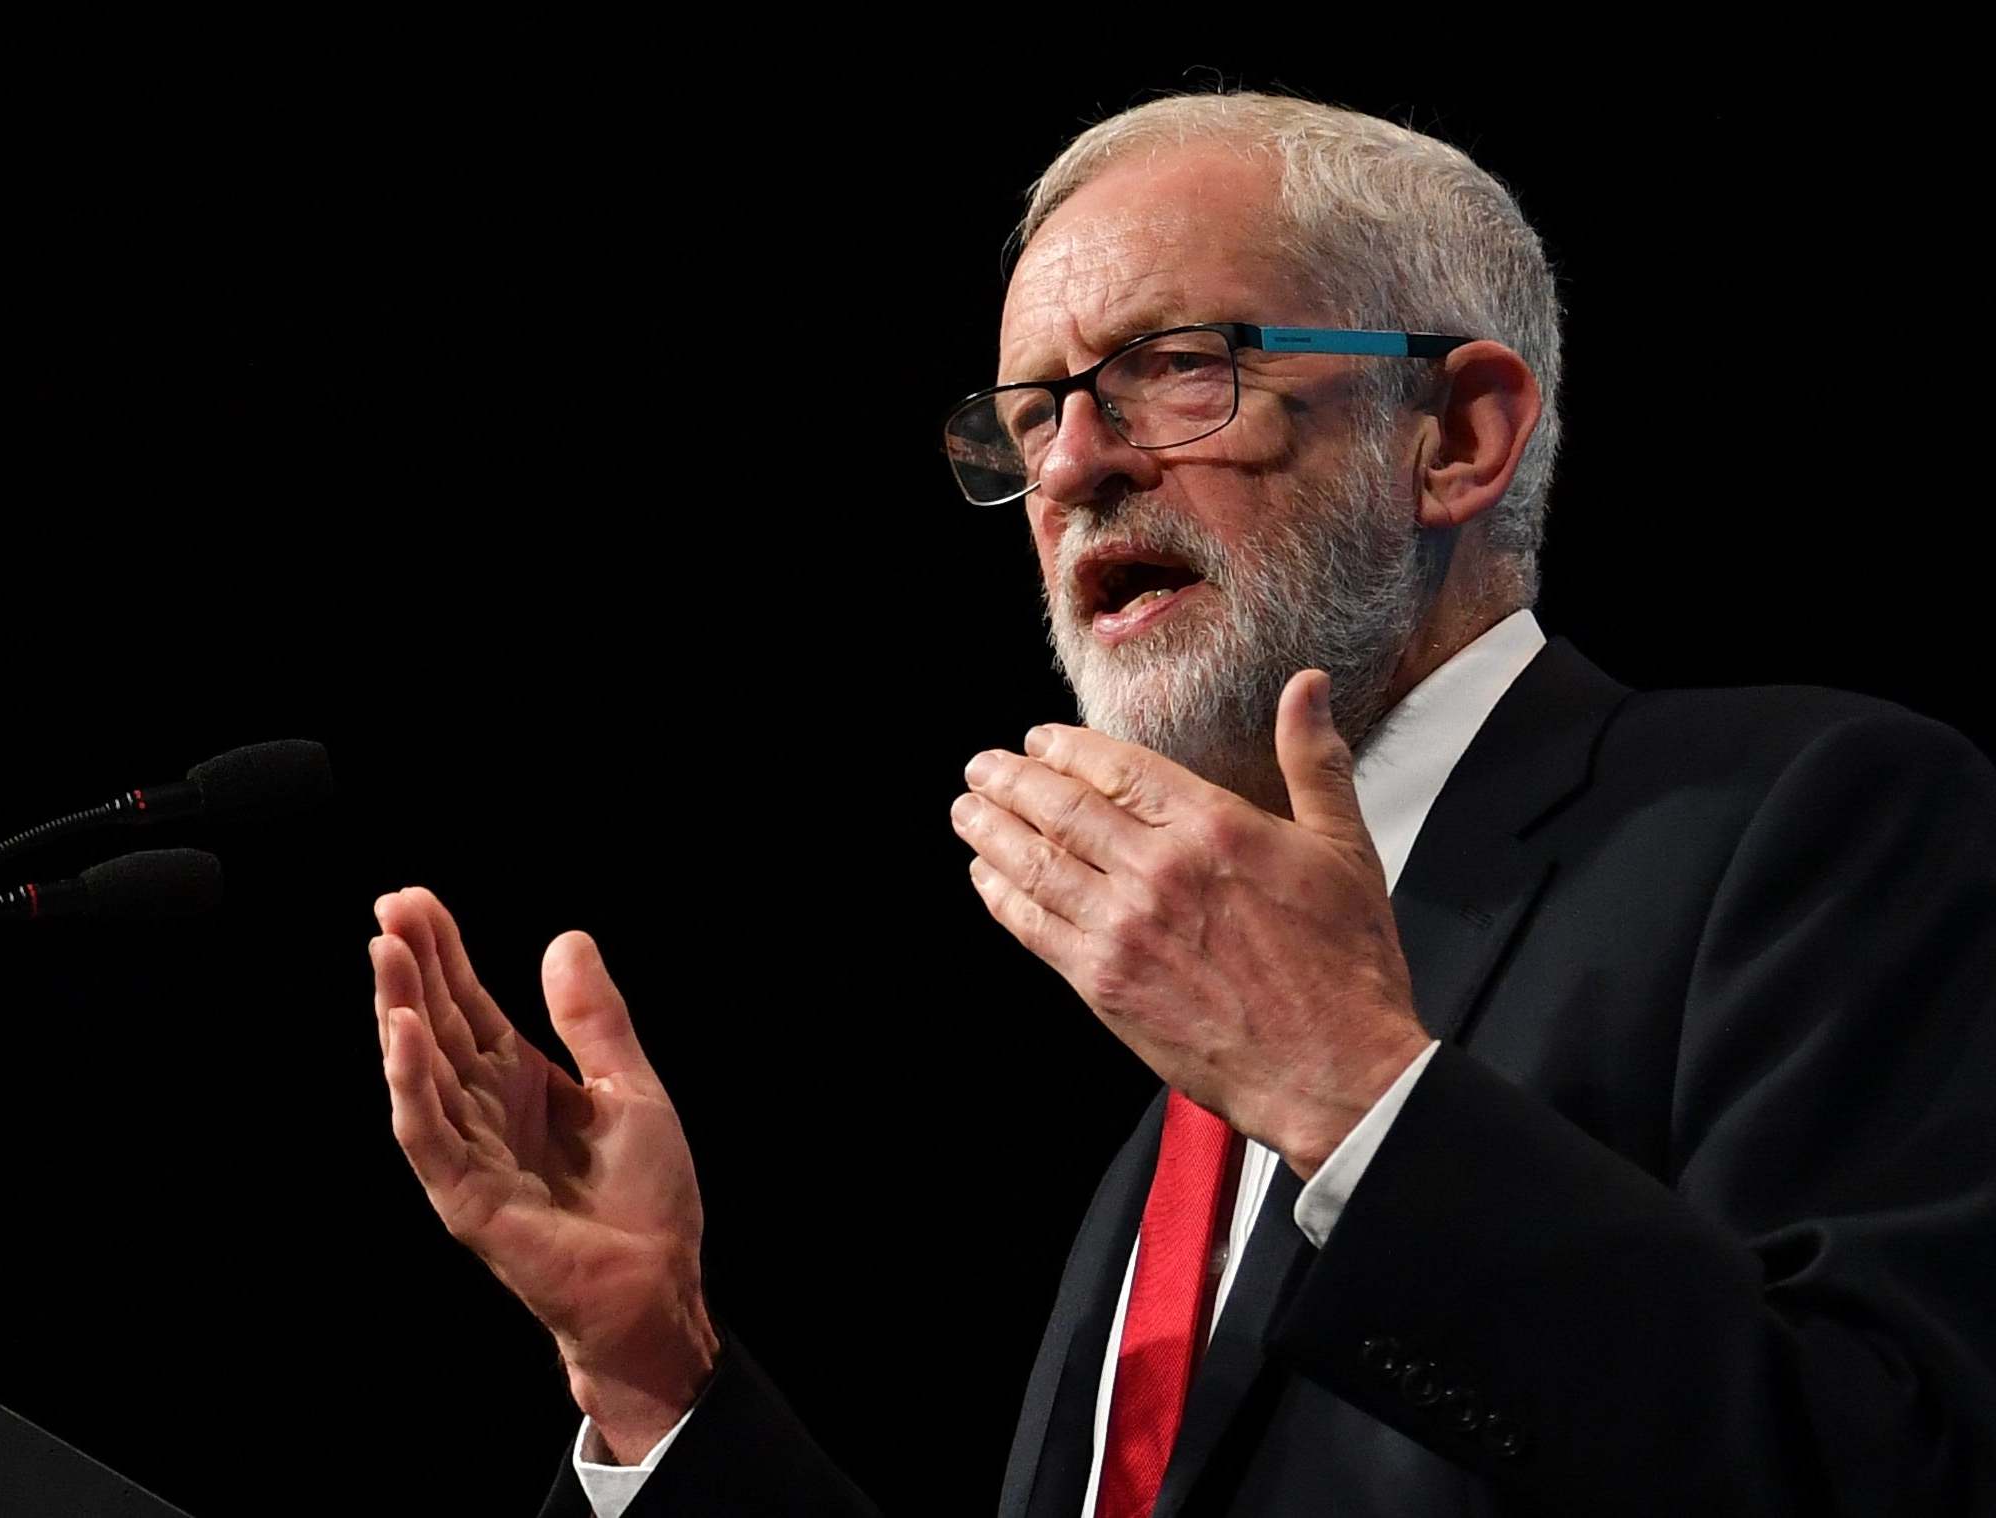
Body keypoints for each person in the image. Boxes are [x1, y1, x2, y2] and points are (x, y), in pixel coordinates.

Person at [369, 93, 1996, 1515]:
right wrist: (660, 1375)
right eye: (1031, 417)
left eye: (1173, 368)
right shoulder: (1191, 1099)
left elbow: (1896, 1466)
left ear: (1458, 434)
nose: (1071, 468)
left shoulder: (1807, 826)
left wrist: (1359, 1097)